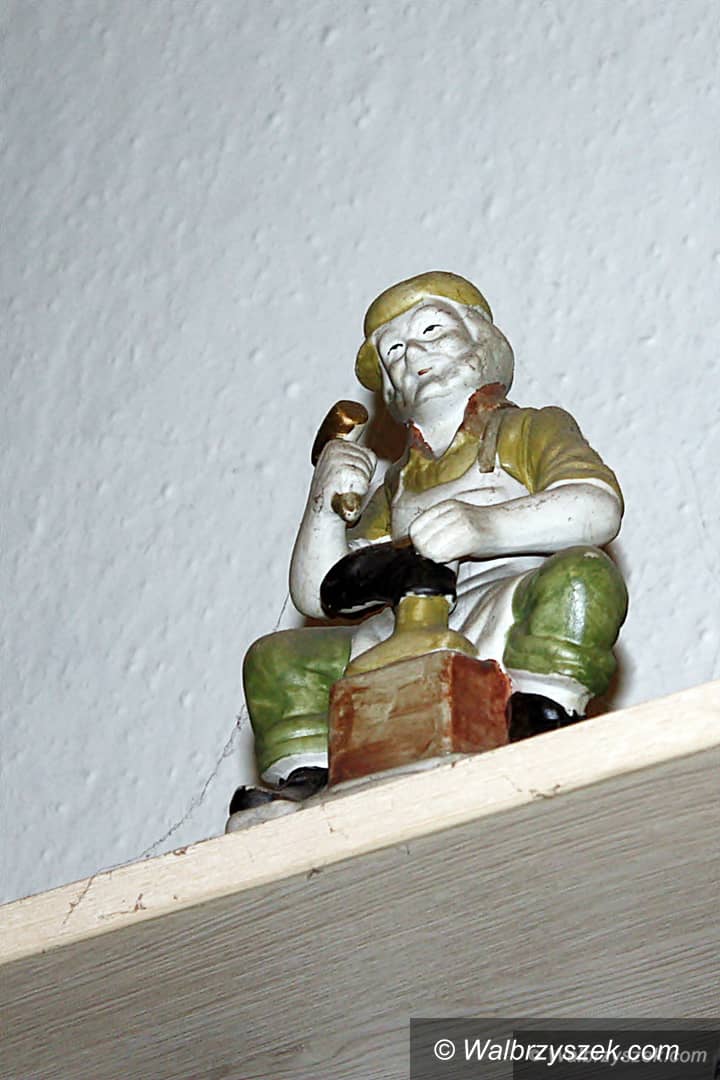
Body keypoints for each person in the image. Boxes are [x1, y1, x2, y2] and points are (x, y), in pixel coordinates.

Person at [230, 271, 627, 820]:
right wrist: (323, 504)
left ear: (479, 339)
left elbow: (597, 507)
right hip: (409, 624)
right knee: (277, 658)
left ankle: (542, 713)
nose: (413, 354)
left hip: (509, 605)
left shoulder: (527, 430)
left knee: (584, 578)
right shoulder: (397, 482)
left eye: (432, 330)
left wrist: (485, 527)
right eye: (394, 351)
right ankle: (309, 774)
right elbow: (318, 595)